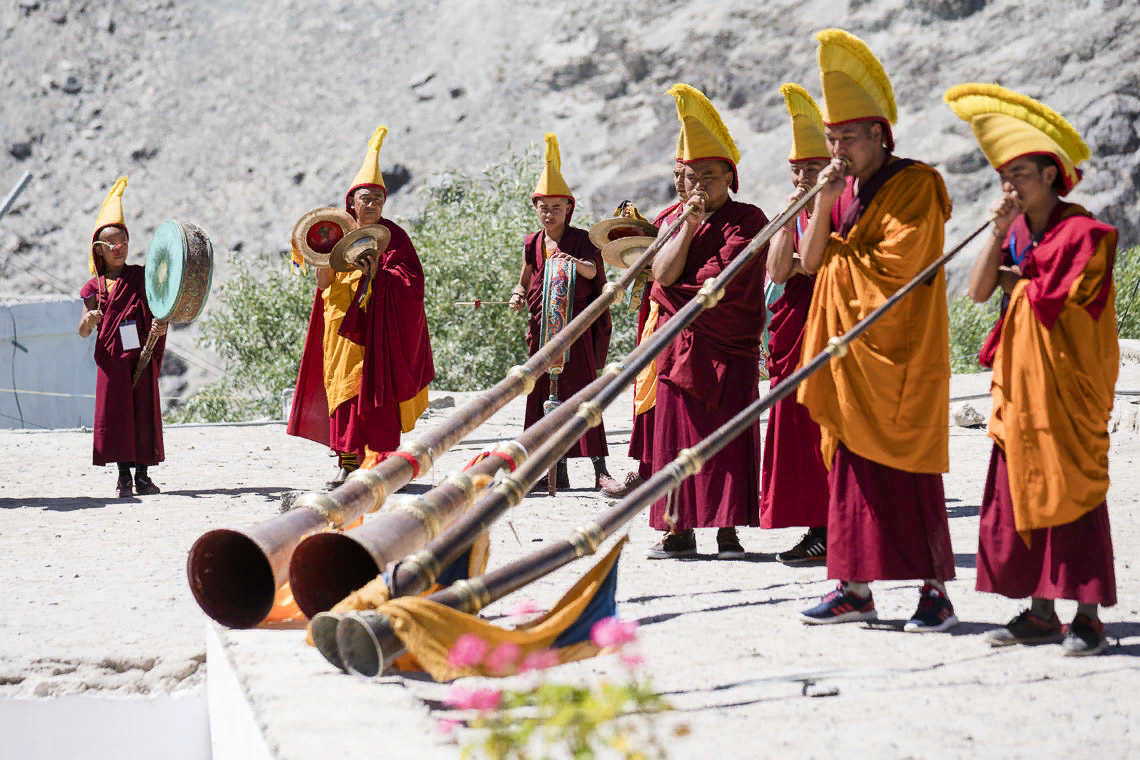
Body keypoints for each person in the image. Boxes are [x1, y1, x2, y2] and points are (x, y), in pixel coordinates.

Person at [947, 84, 1119, 656]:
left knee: (1071, 493)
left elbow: (1057, 305)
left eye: (1020, 173)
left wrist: (1015, 282)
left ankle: (1088, 618)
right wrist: (997, 233)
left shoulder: (1086, 235)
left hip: (1067, 388)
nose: (1011, 185)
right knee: (1020, 494)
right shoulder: (1017, 232)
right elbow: (975, 292)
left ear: (1051, 174)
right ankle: (1042, 613)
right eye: (1004, 176)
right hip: (1018, 390)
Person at [795, 30, 957, 632]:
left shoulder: (917, 184)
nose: (838, 149)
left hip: (900, 357)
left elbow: (901, 267)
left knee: (909, 473)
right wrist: (822, 201)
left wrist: (839, 251)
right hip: (849, 357)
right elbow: (811, 263)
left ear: (880, 135)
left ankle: (934, 594)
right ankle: (854, 589)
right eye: (831, 139)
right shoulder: (839, 191)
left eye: (847, 139)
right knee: (851, 475)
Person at [645, 84, 768, 560]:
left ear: (729, 177)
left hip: (727, 343)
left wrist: (689, 285)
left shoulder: (748, 218)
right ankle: (678, 531)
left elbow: (723, 280)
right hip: (680, 344)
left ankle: (728, 530)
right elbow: (663, 274)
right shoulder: (672, 220)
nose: (699, 185)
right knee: (676, 440)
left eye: (709, 176)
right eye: (691, 176)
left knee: (728, 439)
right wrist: (689, 225)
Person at [287, 125, 434, 486]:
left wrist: (380, 276)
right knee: (343, 388)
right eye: (365, 199)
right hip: (339, 322)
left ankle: (381, 462)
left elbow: (413, 282)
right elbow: (324, 284)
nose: (371, 205)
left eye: (378, 200)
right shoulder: (333, 232)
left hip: (379, 325)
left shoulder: (395, 237)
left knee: (377, 389)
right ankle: (348, 462)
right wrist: (321, 259)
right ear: (350, 201)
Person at [508, 133, 615, 493]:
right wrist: (517, 295)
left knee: (583, 393)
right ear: (535, 208)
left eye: (557, 207)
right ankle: (558, 471)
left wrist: (572, 263)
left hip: (575, 331)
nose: (549, 213)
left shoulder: (583, 239)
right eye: (544, 207)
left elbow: (592, 272)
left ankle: (600, 469)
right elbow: (526, 280)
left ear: (569, 209)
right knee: (543, 396)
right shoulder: (532, 242)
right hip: (542, 332)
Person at [759, 84, 832, 565]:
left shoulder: (840, 210)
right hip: (795, 329)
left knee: (824, 427)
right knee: (797, 431)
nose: (803, 176)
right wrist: (789, 218)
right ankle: (815, 524)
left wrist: (815, 207)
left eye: (812, 168)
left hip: (828, 325)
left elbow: (816, 262)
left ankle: (831, 525)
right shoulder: (796, 212)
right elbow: (781, 270)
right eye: (797, 169)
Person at [601, 160, 688, 499]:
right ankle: (647, 468)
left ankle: (669, 470)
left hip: (688, 316)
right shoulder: (666, 218)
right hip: (657, 314)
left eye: (689, 176)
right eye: (677, 175)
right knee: (649, 392)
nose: (682, 182)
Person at [77, 177, 167, 498]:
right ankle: (124, 477)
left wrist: (162, 328)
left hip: (140, 354)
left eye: (124, 244)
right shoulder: (93, 287)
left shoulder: (140, 277)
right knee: (118, 417)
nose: (120, 251)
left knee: (142, 414)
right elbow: (83, 330)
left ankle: (143, 476)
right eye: (113, 246)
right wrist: (89, 319)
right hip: (113, 363)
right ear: (99, 250)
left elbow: (162, 306)